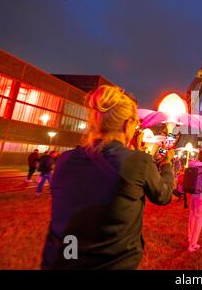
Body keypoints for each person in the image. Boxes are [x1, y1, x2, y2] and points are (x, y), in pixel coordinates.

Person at [41, 85, 174, 270]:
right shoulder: (138, 162)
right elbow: (164, 195)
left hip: (59, 262)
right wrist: (167, 165)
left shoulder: (64, 160)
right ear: (128, 124)